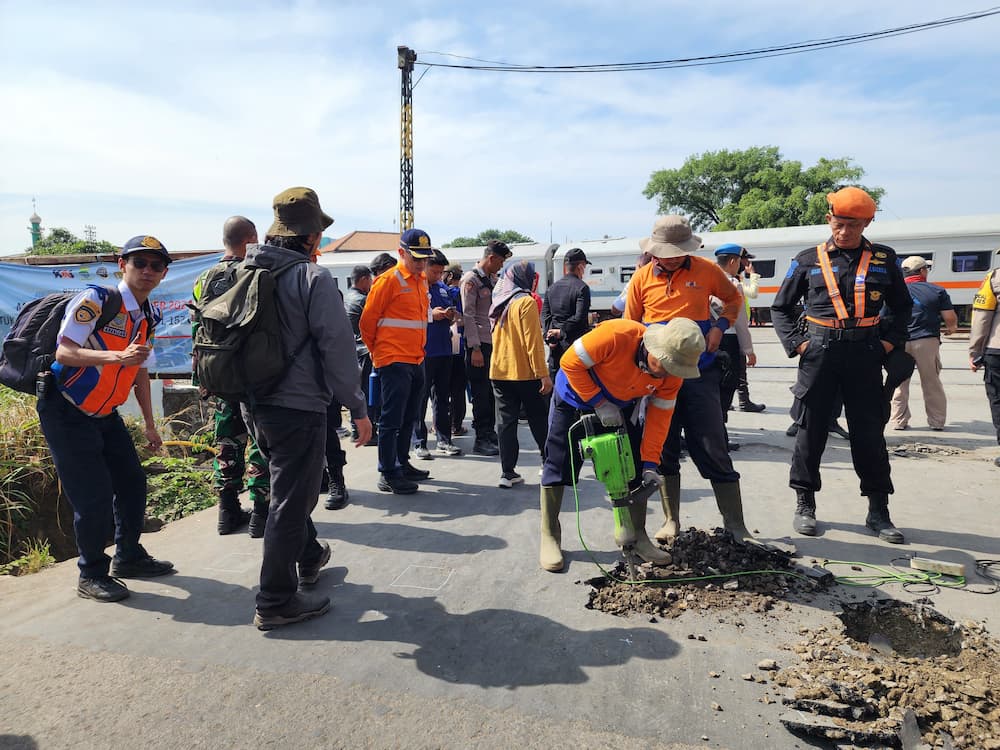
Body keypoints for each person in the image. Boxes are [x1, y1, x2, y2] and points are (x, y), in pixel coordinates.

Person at [246, 187, 371, 630]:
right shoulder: (311, 279)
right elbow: (337, 350)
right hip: (297, 407)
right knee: (291, 502)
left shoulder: (240, 271)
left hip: (252, 402)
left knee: (290, 491)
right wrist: (358, 407)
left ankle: (311, 554)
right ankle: (276, 600)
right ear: (312, 237)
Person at [39, 234, 176, 602]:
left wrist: (150, 424)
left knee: (132, 482)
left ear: (164, 273)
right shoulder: (96, 301)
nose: (147, 271)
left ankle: (128, 555)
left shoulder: (147, 314)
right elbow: (65, 353)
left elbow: (141, 371)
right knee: (93, 496)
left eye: (156, 265)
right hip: (66, 408)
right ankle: (91, 573)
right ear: (122, 265)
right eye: (139, 263)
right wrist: (117, 358)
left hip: (105, 412)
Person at [771, 186, 912, 544]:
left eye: (854, 225)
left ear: (867, 223)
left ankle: (878, 511)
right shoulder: (807, 259)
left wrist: (888, 341)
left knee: (868, 434)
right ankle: (805, 504)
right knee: (810, 431)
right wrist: (798, 344)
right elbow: (781, 308)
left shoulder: (884, 258)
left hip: (866, 353)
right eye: (839, 223)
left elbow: (901, 305)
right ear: (828, 219)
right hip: (819, 354)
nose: (845, 231)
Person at [625, 216, 756, 544]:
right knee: (663, 446)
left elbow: (734, 300)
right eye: (661, 252)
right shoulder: (641, 279)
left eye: (674, 252)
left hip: (700, 372)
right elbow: (629, 325)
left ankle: (735, 524)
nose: (667, 257)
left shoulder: (706, 270)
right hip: (657, 373)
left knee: (712, 443)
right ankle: (671, 520)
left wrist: (719, 326)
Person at [538, 318, 704, 572]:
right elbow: (569, 362)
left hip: (621, 406)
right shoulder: (616, 335)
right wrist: (597, 401)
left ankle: (637, 537)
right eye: (664, 366)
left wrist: (650, 463)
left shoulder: (672, 376)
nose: (666, 374)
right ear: (654, 349)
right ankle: (550, 535)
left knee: (634, 468)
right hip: (573, 398)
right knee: (559, 466)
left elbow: (659, 421)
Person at [191, 216, 272, 536]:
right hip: (250, 374)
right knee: (258, 440)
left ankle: (227, 511)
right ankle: (261, 514)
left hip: (215, 373)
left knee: (225, 440)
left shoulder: (203, 278)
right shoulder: (253, 276)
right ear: (251, 238)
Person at [360, 228, 436, 494]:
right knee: (391, 420)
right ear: (401, 253)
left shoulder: (421, 280)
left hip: (416, 358)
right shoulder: (388, 281)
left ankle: (401, 463)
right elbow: (367, 323)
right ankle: (387, 472)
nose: (421, 263)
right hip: (393, 359)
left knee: (410, 417)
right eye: (416, 258)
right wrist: (377, 351)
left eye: (424, 259)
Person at [488, 259, 552, 488]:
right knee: (538, 419)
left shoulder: (500, 300)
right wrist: (543, 374)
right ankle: (548, 464)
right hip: (524, 372)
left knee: (505, 423)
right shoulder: (526, 302)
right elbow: (533, 342)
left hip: (499, 371)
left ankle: (507, 472)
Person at [889, 256, 958, 431]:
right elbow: (949, 318)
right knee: (931, 383)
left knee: (899, 383)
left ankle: (898, 420)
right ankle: (936, 421)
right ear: (922, 271)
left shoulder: (894, 291)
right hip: (926, 341)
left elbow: (884, 317)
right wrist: (951, 329)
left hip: (899, 342)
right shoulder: (937, 291)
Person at [461, 240, 512, 456]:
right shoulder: (470, 280)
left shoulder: (492, 280)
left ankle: (489, 433)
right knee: (481, 393)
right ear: (491, 258)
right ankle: (481, 438)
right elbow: (468, 314)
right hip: (478, 344)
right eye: (500, 261)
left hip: (493, 343)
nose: (501, 266)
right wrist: (474, 348)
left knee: (492, 393)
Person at [413, 249, 462, 458]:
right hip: (424, 351)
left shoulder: (442, 288)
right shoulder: (415, 287)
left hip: (444, 349)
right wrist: (432, 315)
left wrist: (451, 315)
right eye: (434, 272)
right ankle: (419, 443)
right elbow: (411, 313)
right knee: (420, 398)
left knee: (442, 397)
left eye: (441, 272)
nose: (438, 276)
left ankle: (444, 439)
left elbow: (451, 311)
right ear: (424, 267)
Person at [712, 245, 759, 453]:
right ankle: (719, 438)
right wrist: (748, 350)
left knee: (710, 389)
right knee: (725, 390)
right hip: (728, 341)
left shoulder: (706, 282)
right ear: (732, 262)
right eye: (740, 261)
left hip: (706, 342)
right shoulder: (733, 285)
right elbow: (740, 322)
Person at [969, 250, 1000, 467]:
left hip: (997, 349)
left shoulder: (995, 278)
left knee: (998, 400)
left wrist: (975, 352)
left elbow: (982, 319)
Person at [542, 247, 592, 373]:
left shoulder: (551, 288)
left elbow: (545, 316)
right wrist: (562, 331)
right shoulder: (582, 288)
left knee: (557, 386)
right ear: (580, 267)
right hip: (575, 347)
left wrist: (549, 337)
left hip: (555, 348)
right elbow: (579, 318)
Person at [345, 264, 378, 446]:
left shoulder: (347, 297)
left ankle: (355, 430)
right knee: (368, 392)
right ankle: (366, 433)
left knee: (356, 391)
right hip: (365, 350)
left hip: (351, 350)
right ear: (364, 279)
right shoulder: (364, 300)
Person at [734, 248, 765, 411]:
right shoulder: (734, 281)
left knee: (736, 368)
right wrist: (752, 274)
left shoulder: (735, 278)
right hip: (735, 331)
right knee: (739, 368)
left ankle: (740, 400)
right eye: (746, 260)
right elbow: (753, 293)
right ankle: (744, 401)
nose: (749, 263)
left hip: (735, 329)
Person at [443, 262, 468, 436]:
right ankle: (456, 425)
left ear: (450, 275)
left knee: (441, 389)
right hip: (459, 346)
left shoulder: (443, 292)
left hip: (444, 346)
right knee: (458, 388)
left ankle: (441, 424)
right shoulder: (461, 293)